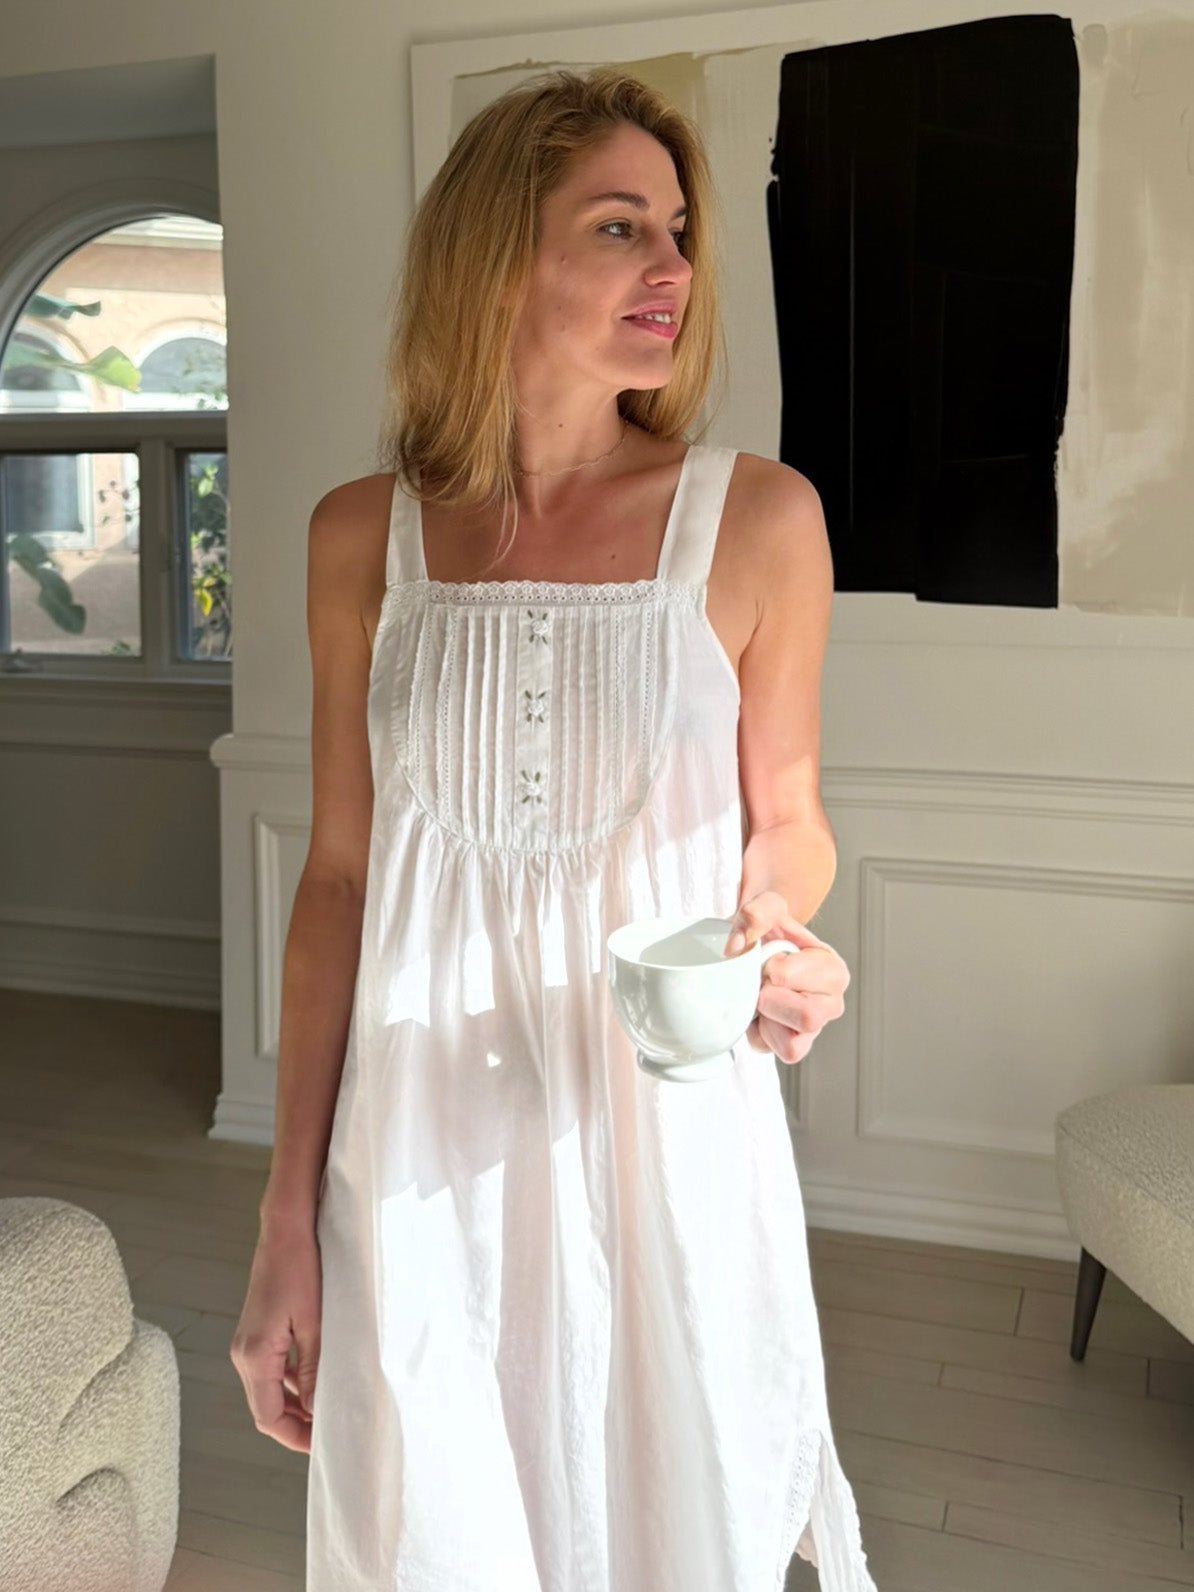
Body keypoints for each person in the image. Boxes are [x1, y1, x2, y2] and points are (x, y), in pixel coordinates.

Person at [231, 65, 878, 1592]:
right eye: (616, 225)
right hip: (416, 1142)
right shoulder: (355, 537)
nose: (670, 268)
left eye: (675, 230)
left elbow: (787, 820)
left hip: (658, 1133)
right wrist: (284, 1223)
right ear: (494, 256)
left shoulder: (759, 520)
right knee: (437, 1527)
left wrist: (772, 928)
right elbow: (336, 879)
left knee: (672, 1511)